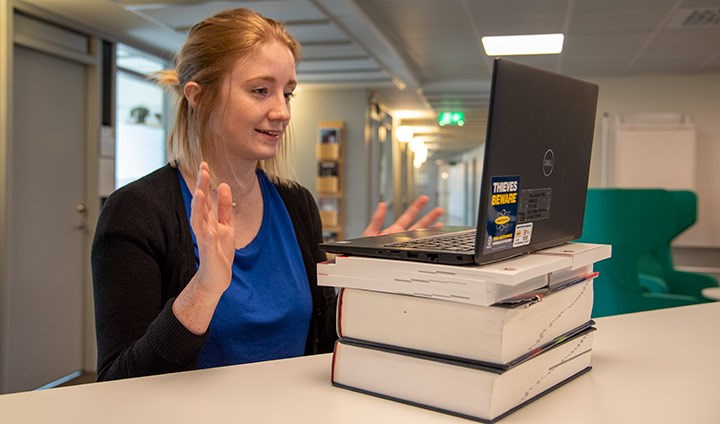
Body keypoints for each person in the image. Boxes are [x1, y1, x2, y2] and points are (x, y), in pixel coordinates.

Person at [92, 7, 443, 382]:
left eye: (288, 93)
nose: (282, 111)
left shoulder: (296, 205)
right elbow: (118, 382)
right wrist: (205, 290)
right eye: (261, 90)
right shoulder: (137, 212)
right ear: (197, 96)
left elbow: (322, 341)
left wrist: (360, 285)